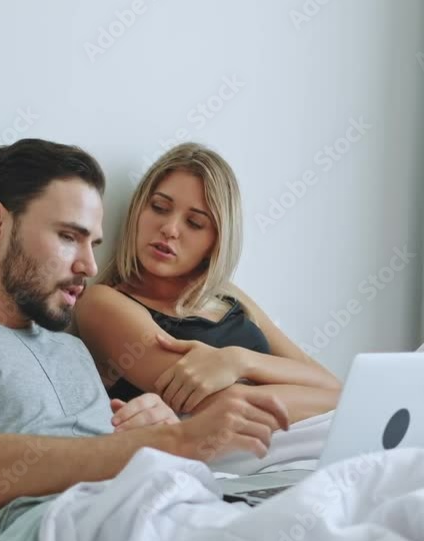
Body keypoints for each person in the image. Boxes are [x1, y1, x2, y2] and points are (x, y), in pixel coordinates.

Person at [0, 139, 290, 541]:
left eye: (92, 244)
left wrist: (150, 435)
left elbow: (97, 457)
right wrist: (177, 441)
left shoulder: (72, 350)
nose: (90, 266)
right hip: (48, 533)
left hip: (162, 505)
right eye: (68, 237)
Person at [73, 143, 341, 426]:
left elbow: (333, 385)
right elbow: (232, 408)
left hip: (297, 444)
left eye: (195, 223)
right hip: (230, 456)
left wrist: (237, 361)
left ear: (216, 241)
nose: (170, 229)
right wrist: (320, 395)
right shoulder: (102, 303)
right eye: (159, 207)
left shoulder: (226, 296)